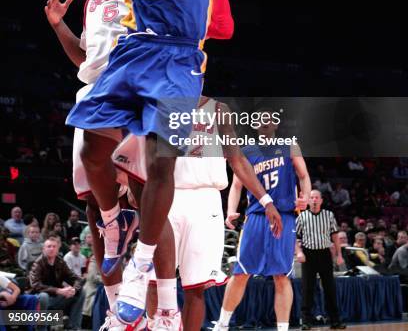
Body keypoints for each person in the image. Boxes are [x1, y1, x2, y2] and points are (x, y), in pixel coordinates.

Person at [65, 0, 218, 326]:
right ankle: (113, 222)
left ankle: (142, 267)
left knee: (160, 165)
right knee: (89, 147)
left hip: (178, 60)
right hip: (134, 54)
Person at [46, 0, 232, 329]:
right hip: (99, 95)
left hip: (141, 91)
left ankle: (165, 308)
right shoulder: (94, 1)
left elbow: (215, 25)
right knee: (97, 209)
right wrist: (57, 25)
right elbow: (86, 59)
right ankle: (118, 314)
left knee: (146, 197)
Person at [115, 97, 283, 330]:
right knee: (154, 280)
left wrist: (266, 200)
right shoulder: (160, 104)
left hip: (206, 200)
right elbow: (138, 149)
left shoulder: (219, 110)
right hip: (166, 196)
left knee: (196, 287)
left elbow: (237, 159)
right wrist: (136, 188)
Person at [213, 115, 311, 331]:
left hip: (284, 216)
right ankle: (222, 324)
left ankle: (283, 329)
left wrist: (305, 196)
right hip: (256, 216)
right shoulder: (247, 151)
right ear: (253, 125)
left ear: (276, 123)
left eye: (269, 119)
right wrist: (230, 210)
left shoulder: (289, 144)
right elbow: (237, 185)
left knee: (282, 275)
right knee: (240, 272)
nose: (264, 122)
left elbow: (303, 175)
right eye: (259, 119)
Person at [296, 190, 346, 330]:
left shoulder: (329, 215)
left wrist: (339, 255)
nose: (314, 200)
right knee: (307, 289)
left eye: (317, 197)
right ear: (308, 200)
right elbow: (295, 237)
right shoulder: (302, 216)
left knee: (330, 288)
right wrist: (299, 252)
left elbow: (335, 236)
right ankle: (306, 321)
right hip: (309, 255)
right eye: (311, 198)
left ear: (321, 200)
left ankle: (335, 321)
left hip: (324, 254)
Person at [29, 236, 85, 331]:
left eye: (54, 246)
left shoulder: (60, 262)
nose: (51, 248)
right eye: (49, 246)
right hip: (40, 298)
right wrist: (58, 291)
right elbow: (35, 285)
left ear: (58, 249)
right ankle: (42, 328)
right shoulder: (38, 264)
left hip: (57, 299)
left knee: (81, 292)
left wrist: (73, 289)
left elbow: (76, 279)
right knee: (44, 296)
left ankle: (74, 327)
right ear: (44, 249)